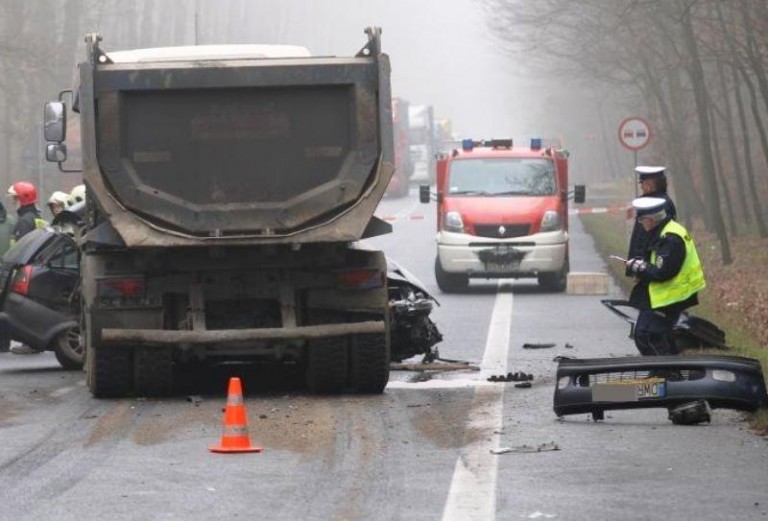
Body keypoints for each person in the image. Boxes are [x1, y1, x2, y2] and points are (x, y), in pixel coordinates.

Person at [625, 197, 706, 356]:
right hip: (664, 294)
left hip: (671, 296)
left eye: (641, 220)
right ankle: (668, 374)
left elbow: (662, 272)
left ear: (650, 220)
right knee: (659, 336)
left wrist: (639, 268)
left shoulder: (670, 238)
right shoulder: (662, 230)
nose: (641, 224)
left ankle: (665, 374)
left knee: (647, 336)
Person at [6, 181, 48, 355]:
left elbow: (21, 248)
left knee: (23, 307)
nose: (12, 202)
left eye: (14, 198)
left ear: (22, 198)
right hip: (36, 267)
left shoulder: (24, 221)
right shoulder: (36, 217)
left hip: (25, 269)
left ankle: (31, 342)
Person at [626, 166, 677, 275]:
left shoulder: (648, 205)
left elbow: (641, 238)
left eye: (642, 183)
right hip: (656, 264)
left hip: (649, 267)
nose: (641, 187)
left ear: (649, 185)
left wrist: (637, 266)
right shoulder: (667, 202)